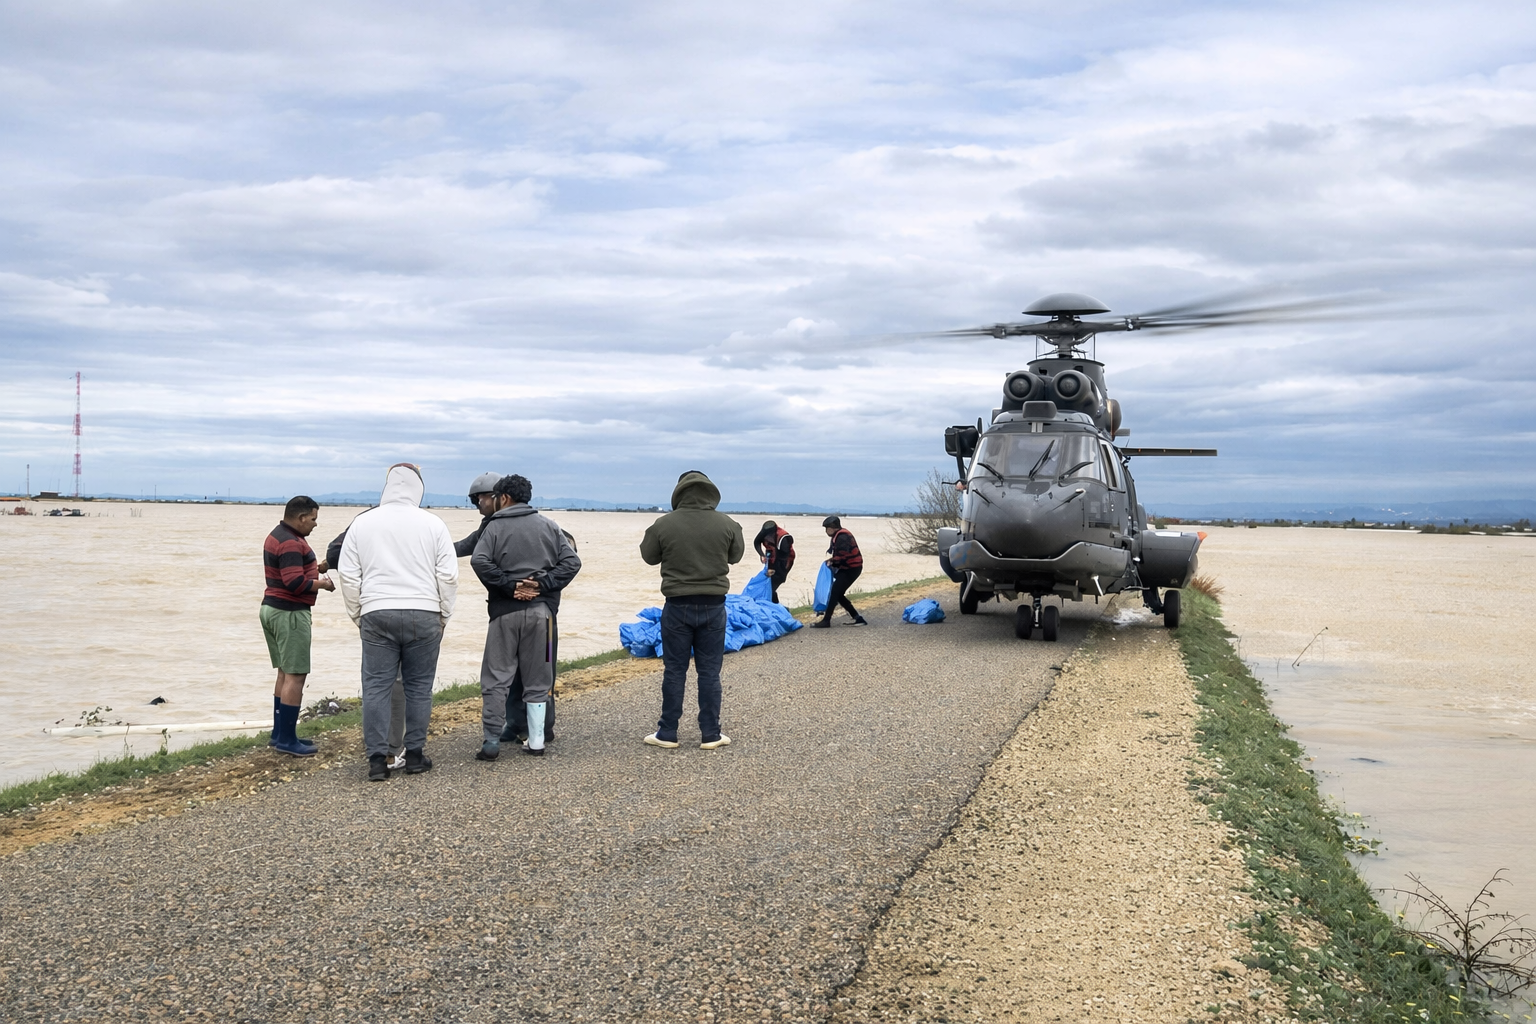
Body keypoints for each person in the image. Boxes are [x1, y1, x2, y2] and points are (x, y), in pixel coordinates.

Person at [338, 464, 458, 782]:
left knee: (376, 687)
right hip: (425, 611)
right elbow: (448, 575)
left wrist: (358, 613)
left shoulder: (362, 523)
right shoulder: (434, 523)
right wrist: (444, 614)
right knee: (419, 687)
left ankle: (378, 760)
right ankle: (415, 755)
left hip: (376, 611)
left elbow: (348, 575)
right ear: (419, 489)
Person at [469, 474, 581, 759]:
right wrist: (542, 585)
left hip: (504, 615)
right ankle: (537, 740)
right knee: (540, 677)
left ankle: (491, 742)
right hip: (543, 617)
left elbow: (478, 560)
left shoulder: (494, 527)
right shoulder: (549, 525)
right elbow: (572, 562)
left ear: (504, 498)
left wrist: (509, 585)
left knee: (496, 677)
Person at [638, 470, 744, 749]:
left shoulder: (663, 523)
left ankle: (667, 733)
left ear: (679, 492)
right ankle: (711, 734)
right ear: (711, 492)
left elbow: (649, 557)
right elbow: (736, 556)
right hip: (714, 606)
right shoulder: (728, 523)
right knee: (709, 672)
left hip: (677, 606)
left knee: (675, 670)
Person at [261, 496, 336, 757]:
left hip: (271, 608)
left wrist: (316, 567)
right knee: (296, 675)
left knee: (284, 673)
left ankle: (279, 734)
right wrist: (324, 584)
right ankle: (287, 740)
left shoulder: (277, 535)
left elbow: (290, 571)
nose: (315, 524)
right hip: (289, 613)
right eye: (313, 519)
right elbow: (294, 583)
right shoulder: (292, 542)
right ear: (302, 517)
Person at [813, 515, 867, 627]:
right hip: (850, 568)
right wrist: (832, 560)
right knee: (838, 594)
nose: (826, 531)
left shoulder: (842, 537)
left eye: (827, 528)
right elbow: (840, 556)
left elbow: (843, 556)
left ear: (832, 528)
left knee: (835, 592)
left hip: (851, 569)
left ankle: (826, 620)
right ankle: (857, 618)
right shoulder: (840, 535)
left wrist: (832, 562)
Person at [752, 520, 795, 603]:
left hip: (784, 562)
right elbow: (756, 542)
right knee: (767, 584)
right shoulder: (765, 532)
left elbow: (784, 555)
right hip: (771, 558)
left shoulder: (783, 538)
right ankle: (773, 603)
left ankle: (774, 605)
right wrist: (761, 555)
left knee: (773, 584)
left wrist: (772, 568)